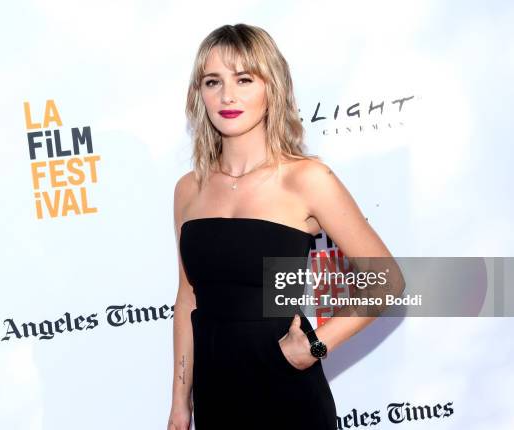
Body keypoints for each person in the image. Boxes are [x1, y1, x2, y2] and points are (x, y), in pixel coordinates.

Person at [167, 23, 398, 430]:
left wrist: (315, 345)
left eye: (243, 79)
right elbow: (188, 298)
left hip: (285, 387)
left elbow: (388, 282)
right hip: (215, 393)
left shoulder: (305, 179)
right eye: (212, 81)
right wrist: (179, 404)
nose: (227, 96)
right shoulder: (189, 189)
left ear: (271, 87)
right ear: (198, 94)